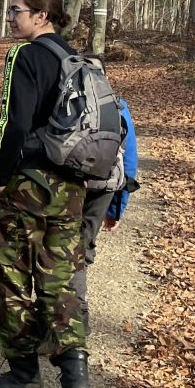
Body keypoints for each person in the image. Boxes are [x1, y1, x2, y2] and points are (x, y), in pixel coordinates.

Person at [0, 0, 93, 388]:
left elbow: (15, 125)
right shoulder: (76, 59)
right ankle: (76, 383)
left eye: (16, 10)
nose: (10, 17)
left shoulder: (25, 56)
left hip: (27, 185)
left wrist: (0, 179)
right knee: (60, 281)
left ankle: (23, 375)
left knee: (10, 276)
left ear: (41, 15)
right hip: (70, 186)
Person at [72, 92, 139, 329]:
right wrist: (116, 210)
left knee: (58, 246)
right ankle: (78, 316)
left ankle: (59, 315)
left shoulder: (65, 100)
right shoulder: (118, 106)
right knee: (82, 245)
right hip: (105, 186)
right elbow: (128, 161)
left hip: (68, 183)